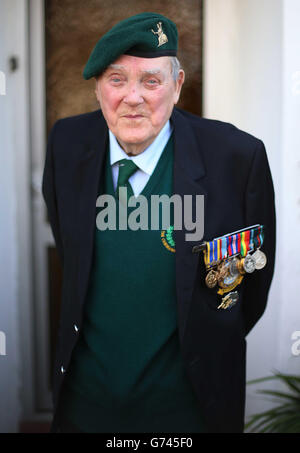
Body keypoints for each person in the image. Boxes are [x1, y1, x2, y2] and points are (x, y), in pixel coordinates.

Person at [42, 12, 276, 433]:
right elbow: (70, 248)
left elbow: (251, 283)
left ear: (177, 85)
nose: (132, 97)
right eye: (116, 79)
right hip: (86, 401)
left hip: (189, 406)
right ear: (97, 88)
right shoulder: (66, 143)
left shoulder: (236, 158)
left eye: (151, 80)